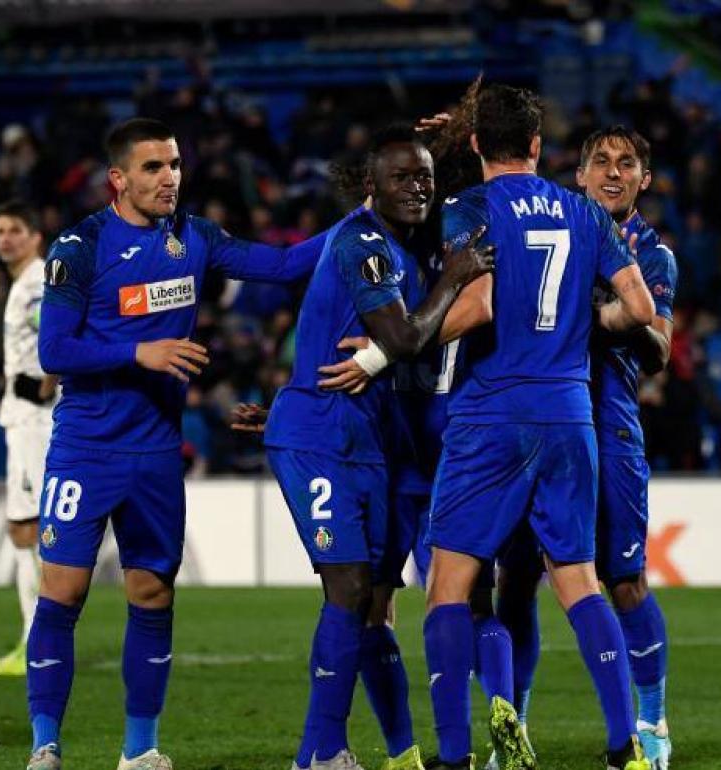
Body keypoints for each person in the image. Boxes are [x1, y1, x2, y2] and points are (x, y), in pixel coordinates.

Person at [28, 117, 328, 770]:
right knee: (63, 592)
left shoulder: (194, 237)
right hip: (86, 448)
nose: (169, 178)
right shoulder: (78, 249)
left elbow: (279, 264)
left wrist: (363, 219)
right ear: (118, 179)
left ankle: (140, 752)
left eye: (174, 165)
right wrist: (141, 351)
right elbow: (54, 349)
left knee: (153, 595)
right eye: (153, 168)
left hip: (157, 455)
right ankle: (44, 747)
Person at [421, 83, 655, 770]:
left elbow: (481, 303)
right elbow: (638, 308)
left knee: (450, 584)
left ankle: (455, 756)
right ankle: (625, 746)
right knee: (578, 579)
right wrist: (592, 321)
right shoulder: (584, 212)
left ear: (472, 146)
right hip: (569, 413)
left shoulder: (468, 206)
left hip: (491, 414)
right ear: (536, 146)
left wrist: (415, 336)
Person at [260, 122, 493, 770]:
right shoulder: (363, 243)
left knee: (366, 596)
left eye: (424, 176)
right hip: (321, 435)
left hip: (365, 437)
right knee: (349, 585)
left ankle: (356, 751)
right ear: (371, 187)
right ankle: (321, 752)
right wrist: (454, 278)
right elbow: (407, 336)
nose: (417, 187)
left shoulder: (404, 242)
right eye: (402, 177)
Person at [492, 125, 678, 770]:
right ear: (578, 174)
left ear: (643, 180)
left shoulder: (653, 255)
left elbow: (659, 351)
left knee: (624, 583)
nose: (612, 171)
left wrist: (623, 309)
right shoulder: (550, 233)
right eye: (600, 160)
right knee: (513, 585)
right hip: (531, 426)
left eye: (627, 163)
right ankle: (513, 730)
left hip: (610, 427)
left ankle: (651, 722)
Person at [0, 200, 55, 677]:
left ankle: (38, 641)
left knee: (34, 529)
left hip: (36, 420)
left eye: (13, 230)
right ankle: (34, 637)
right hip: (20, 416)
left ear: (34, 236)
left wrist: (46, 383)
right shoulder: (21, 285)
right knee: (22, 529)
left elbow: (57, 338)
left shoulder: (38, 284)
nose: (4, 239)